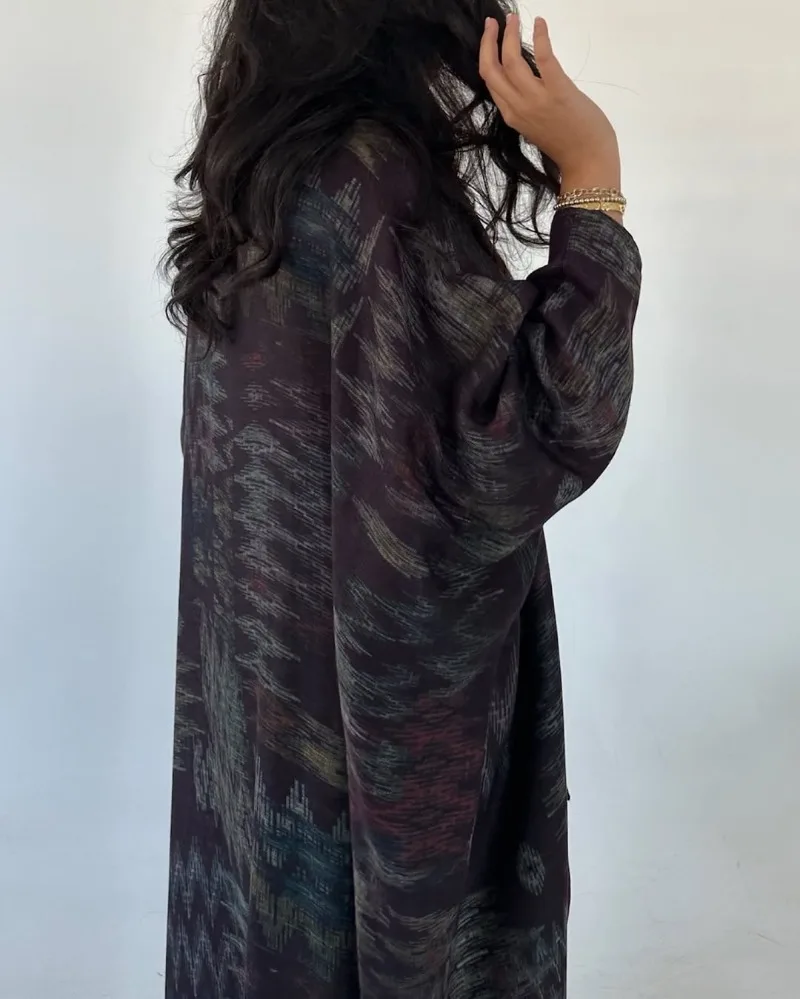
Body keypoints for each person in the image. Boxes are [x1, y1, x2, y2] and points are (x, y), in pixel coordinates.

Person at [162, 0, 641, 996]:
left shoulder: (260, 176)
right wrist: (591, 176)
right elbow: (530, 429)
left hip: (268, 706)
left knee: (278, 938)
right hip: (365, 726)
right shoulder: (371, 185)